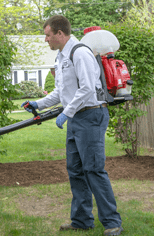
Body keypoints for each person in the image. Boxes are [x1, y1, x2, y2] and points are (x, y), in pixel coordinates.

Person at [21, 15, 123, 236]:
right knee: (76, 171)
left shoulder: (80, 52)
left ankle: (112, 222)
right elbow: (61, 91)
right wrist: (38, 103)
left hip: (91, 116)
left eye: (48, 35)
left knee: (94, 170)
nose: (45, 40)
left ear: (60, 33)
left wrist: (65, 113)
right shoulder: (61, 57)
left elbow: (87, 88)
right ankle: (82, 220)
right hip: (77, 118)